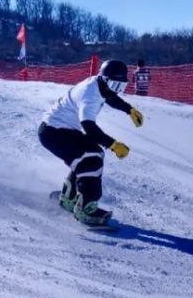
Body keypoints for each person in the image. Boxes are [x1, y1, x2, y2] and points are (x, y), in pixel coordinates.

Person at [38, 58, 143, 226]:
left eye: (121, 87)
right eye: (115, 86)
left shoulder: (100, 83)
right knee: (92, 157)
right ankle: (86, 208)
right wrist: (113, 145)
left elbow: (109, 96)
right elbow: (89, 127)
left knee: (88, 156)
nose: (117, 90)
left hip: (55, 129)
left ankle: (69, 197)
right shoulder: (90, 95)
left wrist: (129, 109)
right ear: (105, 79)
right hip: (54, 133)